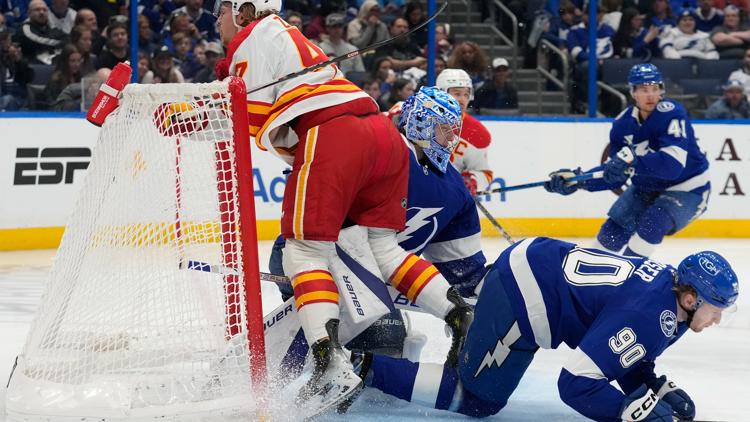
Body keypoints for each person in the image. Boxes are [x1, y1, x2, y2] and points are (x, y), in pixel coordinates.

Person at [214, 0, 473, 411]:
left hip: (334, 133)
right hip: (381, 136)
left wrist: (175, 116)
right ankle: (457, 313)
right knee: (384, 249)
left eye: (224, 9)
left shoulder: (253, 36)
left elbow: (239, 114)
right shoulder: (287, 38)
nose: (218, 18)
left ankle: (328, 360)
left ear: (246, 10)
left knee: (303, 250)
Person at [352, 237, 739, 422]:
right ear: (691, 298)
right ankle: (360, 369)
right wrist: (626, 412)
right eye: (716, 308)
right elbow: (575, 384)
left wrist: (649, 387)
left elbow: (627, 351)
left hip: (537, 268)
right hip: (524, 292)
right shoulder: (649, 314)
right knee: (477, 399)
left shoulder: (671, 304)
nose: (718, 318)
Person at [269, 86, 487, 370]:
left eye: (453, 131)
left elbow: (461, 269)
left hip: (333, 271)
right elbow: (464, 272)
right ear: (422, 123)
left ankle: (333, 353)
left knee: (376, 333)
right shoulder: (456, 188)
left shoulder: (380, 150)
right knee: (384, 336)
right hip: (360, 281)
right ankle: (352, 354)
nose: (451, 140)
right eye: (445, 130)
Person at [544, 63, 710, 257]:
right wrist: (578, 180)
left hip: (687, 187)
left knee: (652, 223)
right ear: (633, 92)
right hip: (646, 187)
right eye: (644, 89)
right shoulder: (623, 125)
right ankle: (590, 279)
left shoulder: (672, 113)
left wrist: (633, 159)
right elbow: (615, 175)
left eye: (655, 89)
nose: (651, 95)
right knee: (611, 232)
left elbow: (672, 166)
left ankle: (629, 282)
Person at [434, 68, 494, 197]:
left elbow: (485, 174)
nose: (462, 100)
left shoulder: (476, 133)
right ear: (441, 94)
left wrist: (472, 180)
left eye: (466, 95)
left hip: (448, 199)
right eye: (457, 93)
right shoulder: (417, 118)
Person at [13, 0, 67, 65]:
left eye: (44, 10)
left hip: (50, 64)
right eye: (37, 10)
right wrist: (63, 43)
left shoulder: (49, 26)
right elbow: (40, 41)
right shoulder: (25, 29)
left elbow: (64, 36)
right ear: (29, 13)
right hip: (32, 67)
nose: (42, 12)